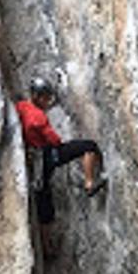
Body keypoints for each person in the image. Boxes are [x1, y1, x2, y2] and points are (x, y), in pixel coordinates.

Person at [15, 76, 106, 255]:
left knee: (43, 204)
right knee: (89, 147)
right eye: (47, 98)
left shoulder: (22, 107)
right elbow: (54, 140)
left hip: (33, 157)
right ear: (39, 97)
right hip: (47, 155)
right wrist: (57, 145)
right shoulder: (38, 117)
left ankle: (47, 247)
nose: (49, 102)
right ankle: (89, 183)